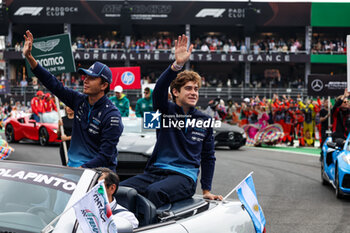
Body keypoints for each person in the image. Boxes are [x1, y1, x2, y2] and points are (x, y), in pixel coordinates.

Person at [120, 34, 223, 208]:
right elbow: (159, 89)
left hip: (183, 177)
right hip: (155, 172)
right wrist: (177, 65)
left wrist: (206, 190)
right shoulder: (165, 110)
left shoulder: (205, 120)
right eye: (188, 88)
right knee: (121, 191)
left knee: (154, 192)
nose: (193, 93)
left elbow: (208, 157)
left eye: (196, 89)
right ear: (175, 92)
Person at [23, 30, 123, 171]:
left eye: (92, 78)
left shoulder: (112, 116)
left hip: (98, 174)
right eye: (85, 76)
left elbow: (105, 157)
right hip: (74, 169)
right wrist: (29, 57)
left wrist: (80, 170)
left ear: (104, 85)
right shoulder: (79, 101)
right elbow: (53, 84)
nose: (85, 80)